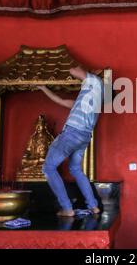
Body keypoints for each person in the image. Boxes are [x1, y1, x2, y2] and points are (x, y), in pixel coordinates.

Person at [37, 66, 103, 217]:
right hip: (84, 136)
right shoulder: (89, 101)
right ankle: (94, 206)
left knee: (48, 167)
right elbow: (59, 100)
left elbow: (73, 70)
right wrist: (43, 88)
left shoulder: (94, 81)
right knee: (75, 169)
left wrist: (89, 73)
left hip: (72, 133)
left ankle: (67, 208)